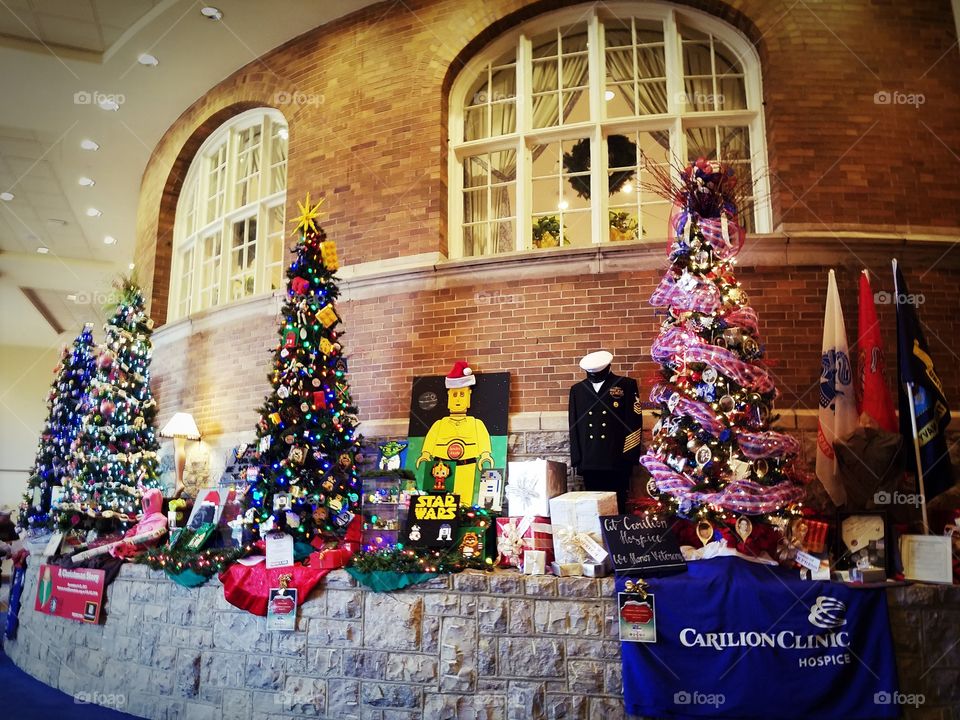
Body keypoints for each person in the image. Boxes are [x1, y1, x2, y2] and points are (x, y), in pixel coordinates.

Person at [568, 351, 643, 513]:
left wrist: (628, 456)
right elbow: (573, 426)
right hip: (590, 461)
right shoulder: (577, 390)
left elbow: (634, 421)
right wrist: (577, 458)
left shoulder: (626, 385)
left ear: (608, 366)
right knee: (594, 508)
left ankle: (617, 537)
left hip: (616, 460)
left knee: (618, 506)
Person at [416, 361, 494, 504]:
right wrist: (426, 454)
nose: (458, 399)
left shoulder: (476, 424)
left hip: (467, 466)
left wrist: (485, 455)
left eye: (462, 395)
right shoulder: (440, 424)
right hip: (441, 467)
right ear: (449, 397)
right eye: (455, 395)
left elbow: (483, 440)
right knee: (439, 500)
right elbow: (430, 440)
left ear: (469, 396)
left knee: (464, 501)